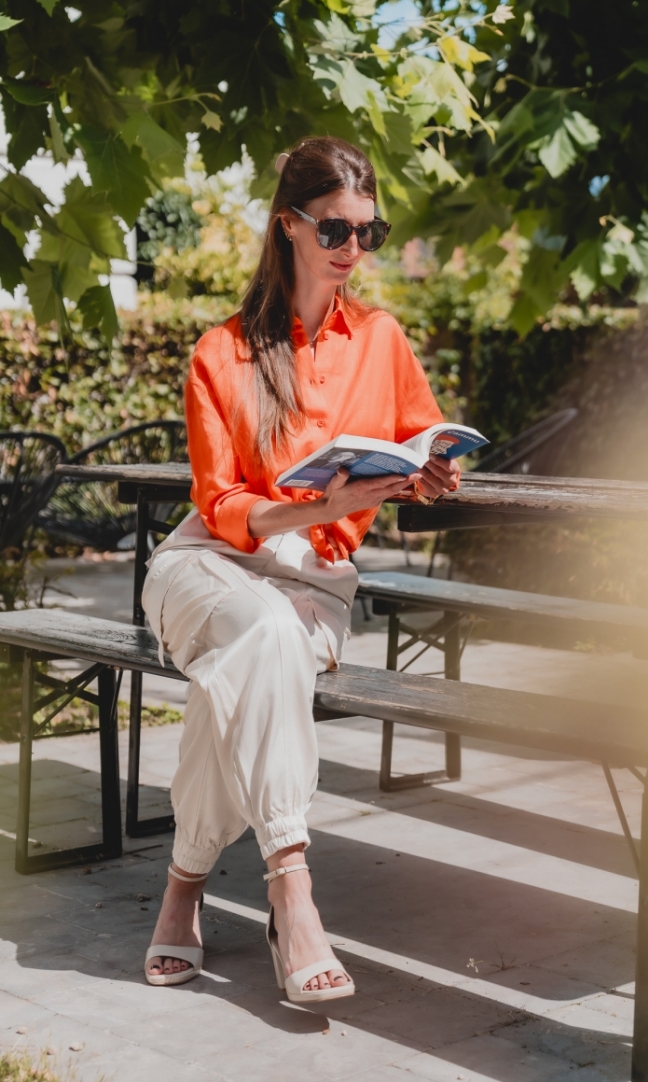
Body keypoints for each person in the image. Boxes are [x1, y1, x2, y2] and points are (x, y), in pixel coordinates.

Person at [141, 137, 460, 1003]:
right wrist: (323, 506)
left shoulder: (383, 341)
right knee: (259, 631)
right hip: (207, 566)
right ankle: (292, 882)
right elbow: (221, 508)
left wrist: (430, 473)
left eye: (370, 231)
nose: (353, 250)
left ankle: (184, 889)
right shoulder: (221, 353)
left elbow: (424, 437)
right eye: (335, 230)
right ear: (289, 226)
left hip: (313, 583)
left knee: (239, 671)